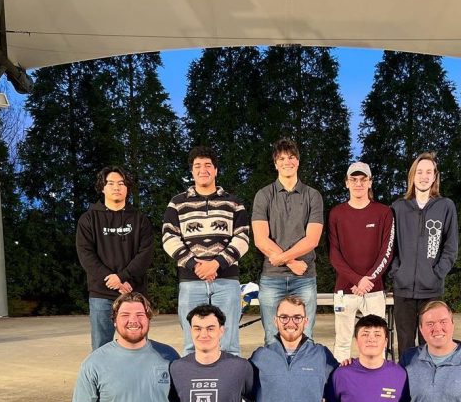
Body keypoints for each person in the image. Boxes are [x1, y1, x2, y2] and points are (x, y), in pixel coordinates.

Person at [162, 146, 250, 356]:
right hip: (191, 280)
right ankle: (191, 385)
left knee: (228, 343)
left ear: (216, 170)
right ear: (192, 171)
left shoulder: (234, 202)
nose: (203, 170)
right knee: (193, 343)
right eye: (197, 166)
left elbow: (243, 238)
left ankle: (230, 387)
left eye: (208, 165)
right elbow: (168, 237)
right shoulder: (177, 203)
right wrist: (195, 265)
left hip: (226, 280)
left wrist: (217, 263)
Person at [251, 138, 324, 343]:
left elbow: (312, 239)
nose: (287, 162)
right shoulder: (264, 195)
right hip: (272, 278)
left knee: (306, 337)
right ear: (275, 164)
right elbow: (260, 238)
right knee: (272, 338)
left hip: (305, 277)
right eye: (281, 158)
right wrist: (291, 262)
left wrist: (283, 258)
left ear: (298, 162)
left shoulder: (312, 196)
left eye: (291, 157)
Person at [76, 166, 154, 350]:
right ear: (102, 188)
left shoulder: (139, 219)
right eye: (110, 183)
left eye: (121, 183)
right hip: (101, 294)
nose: (116, 187)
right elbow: (86, 254)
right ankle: (103, 380)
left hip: (134, 292)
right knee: (101, 346)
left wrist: (123, 277)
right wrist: (113, 280)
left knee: (137, 343)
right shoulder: (88, 219)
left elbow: (146, 253)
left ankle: (136, 378)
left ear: (127, 188)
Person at [390, 151, 458, 359]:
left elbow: (451, 247)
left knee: (432, 342)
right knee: (405, 345)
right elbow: (390, 247)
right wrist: (396, 272)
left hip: (431, 290)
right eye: (419, 171)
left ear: (435, 176)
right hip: (403, 290)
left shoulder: (445, 206)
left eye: (429, 172)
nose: (424, 176)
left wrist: (436, 273)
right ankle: (407, 388)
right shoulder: (398, 207)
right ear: (412, 176)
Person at [328, 161, 394, 362]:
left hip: (374, 290)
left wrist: (368, 280)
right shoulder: (336, 214)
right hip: (344, 291)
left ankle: (376, 387)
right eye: (353, 179)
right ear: (346, 183)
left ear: (370, 182)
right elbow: (334, 254)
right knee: (342, 342)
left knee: (377, 343)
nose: (358, 184)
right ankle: (340, 389)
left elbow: (387, 252)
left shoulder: (384, 213)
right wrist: (357, 280)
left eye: (363, 179)